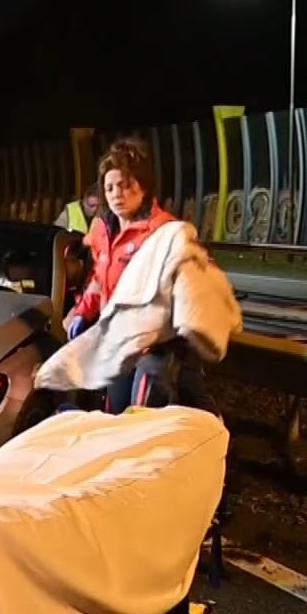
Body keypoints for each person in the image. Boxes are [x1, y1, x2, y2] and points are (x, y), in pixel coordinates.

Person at [61, 137, 220, 415]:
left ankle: (213, 442)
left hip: (156, 347)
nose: (116, 194)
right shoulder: (102, 230)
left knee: (140, 415)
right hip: (120, 343)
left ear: (142, 187)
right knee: (115, 412)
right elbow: (99, 279)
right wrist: (80, 313)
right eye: (109, 187)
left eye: (124, 185)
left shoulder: (165, 230)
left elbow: (203, 275)